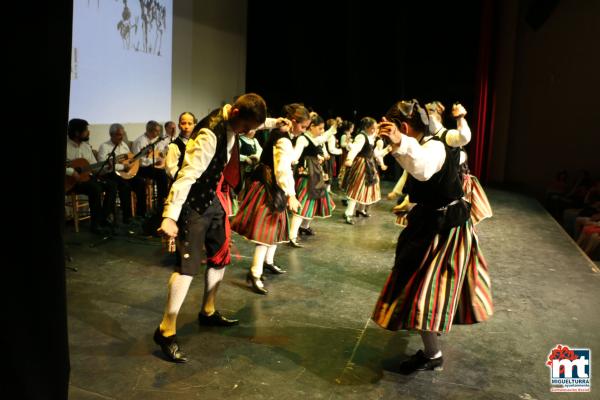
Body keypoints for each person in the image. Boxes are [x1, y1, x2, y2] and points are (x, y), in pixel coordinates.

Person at [372, 99, 493, 374]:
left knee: (423, 293)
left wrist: (400, 141)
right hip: (432, 221)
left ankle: (433, 353)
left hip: (446, 229)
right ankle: (432, 346)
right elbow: (417, 172)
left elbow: (423, 167)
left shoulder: (436, 145)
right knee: (419, 288)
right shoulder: (426, 142)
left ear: (404, 126)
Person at [153, 93, 268, 363]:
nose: (249, 133)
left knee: (220, 257)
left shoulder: (234, 118)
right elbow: (186, 175)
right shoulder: (209, 135)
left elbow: (256, 124)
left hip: (213, 199)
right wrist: (170, 215)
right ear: (237, 115)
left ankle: (208, 311)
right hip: (193, 205)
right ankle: (165, 331)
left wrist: (276, 124)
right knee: (187, 268)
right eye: (247, 127)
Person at [231, 103, 307, 295]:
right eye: (303, 127)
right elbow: (282, 169)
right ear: (294, 122)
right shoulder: (283, 140)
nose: (303, 131)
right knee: (266, 233)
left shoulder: (281, 136)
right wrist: (291, 194)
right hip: (269, 188)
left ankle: (268, 262)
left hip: (272, 186)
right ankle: (254, 273)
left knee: (273, 229)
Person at [65, 118, 116, 234]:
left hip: (85, 179)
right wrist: (71, 172)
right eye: (86, 130)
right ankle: (95, 225)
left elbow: (95, 167)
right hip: (70, 183)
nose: (89, 132)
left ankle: (103, 219)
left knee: (111, 185)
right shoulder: (65, 145)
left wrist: (107, 167)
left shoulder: (86, 146)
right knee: (95, 188)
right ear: (77, 133)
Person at [97, 123, 147, 225]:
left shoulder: (124, 145)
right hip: (111, 174)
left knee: (141, 182)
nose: (122, 137)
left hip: (124, 173)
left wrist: (137, 159)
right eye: (119, 135)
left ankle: (141, 213)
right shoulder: (104, 146)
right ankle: (127, 217)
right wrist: (122, 167)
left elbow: (130, 160)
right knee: (125, 186)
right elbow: (104, 165)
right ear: (112, 135)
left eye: (122, 134)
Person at [343, 117, 381, 224]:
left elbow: (372, 151)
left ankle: (360, 210)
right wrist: (350, 159)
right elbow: (355, 148)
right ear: (366, 127)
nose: (374, 130)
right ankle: (348, 213)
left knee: (366, 188)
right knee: (357, 188)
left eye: (375, 128)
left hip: (369, 164)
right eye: (372, 128)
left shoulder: (370, 136)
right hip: (362, 164)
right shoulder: (361, 136)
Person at [132, 120, 170, 216]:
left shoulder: (155, 140)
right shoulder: (140, 141)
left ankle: (163, 203)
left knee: (166, 171)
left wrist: (163, 153)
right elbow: (139, 161)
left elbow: (162, 149)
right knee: (161, 175)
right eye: (157, 131)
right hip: (140, 169)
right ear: (150, 131)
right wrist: (154, 161)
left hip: (151, 166)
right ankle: (161, 204)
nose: (158, 133)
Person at [164, 112, 197, 180]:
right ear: (179, 126)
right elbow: (171, 170)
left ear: (194, 125)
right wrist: (186, 178)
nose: (186, 126)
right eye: (183, 123)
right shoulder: (174, 146)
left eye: (190, 123)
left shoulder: (197, 142)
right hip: (182, 183)